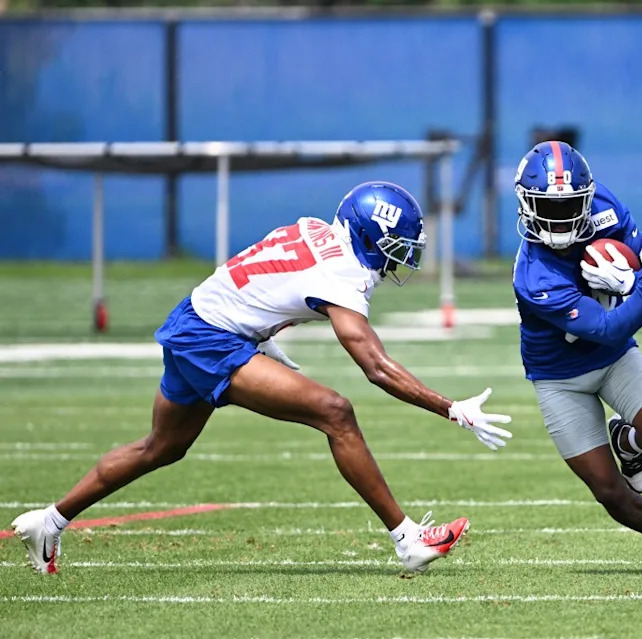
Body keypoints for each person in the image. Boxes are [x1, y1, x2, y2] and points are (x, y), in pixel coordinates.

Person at [11, 181, 513, 575]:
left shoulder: (316, 229)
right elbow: (375, 367)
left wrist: (261, 336)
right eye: (395, 247)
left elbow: (258, 280)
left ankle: (48, 521)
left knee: (161, 448)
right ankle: (407, 540)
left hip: (196, 317)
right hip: (212, 339)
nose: (401, 259)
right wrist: (451, 407)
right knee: (336, 412)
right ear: (367, 236)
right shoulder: (343, 274)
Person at [512, 140, 642, 574]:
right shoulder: (533, 275)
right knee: (608, 489)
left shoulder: (605, 207)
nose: (558, 221)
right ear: (526, 205)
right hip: (559, 377)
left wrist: (631, 276)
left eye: (569, 207)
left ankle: (628, 440)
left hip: (613, 359)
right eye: (547, 208)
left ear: (587, 197)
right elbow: (609, 325)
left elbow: (633, 253)